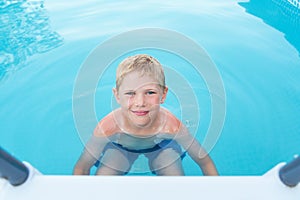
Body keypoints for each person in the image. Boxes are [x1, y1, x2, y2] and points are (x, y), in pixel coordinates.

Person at [73, 54, 218, 176]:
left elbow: (205, 161)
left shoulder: (171, 127)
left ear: (163, 94)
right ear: (117, 96)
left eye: (150, 92)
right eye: (130, 93)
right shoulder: (108, 128)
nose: (140, 102)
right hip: (121, 148)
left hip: (161, 147)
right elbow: (83, 167)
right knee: (105, 174)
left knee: (174, 176)